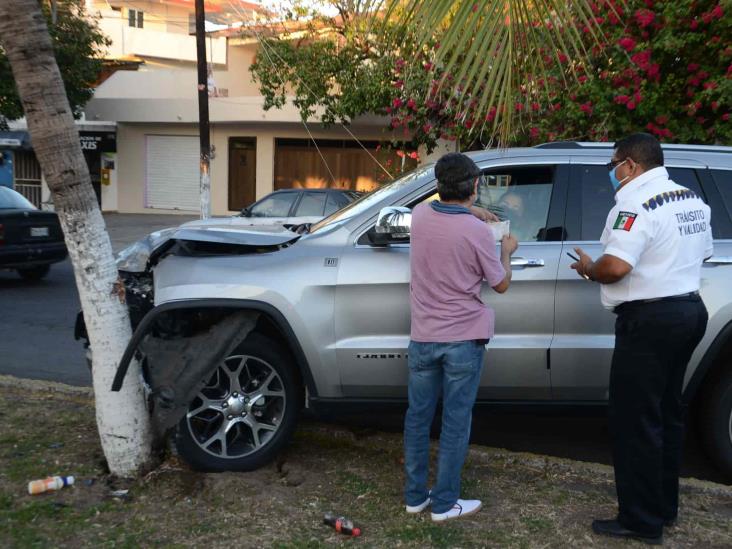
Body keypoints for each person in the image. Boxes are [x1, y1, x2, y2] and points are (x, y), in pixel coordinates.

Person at [570, 133, 712, 545]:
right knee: (667, 414)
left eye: (614, 164)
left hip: (649, 320)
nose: (613, 173)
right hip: (688, 310)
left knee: (635, 422)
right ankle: (663, 508)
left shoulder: (634, 203)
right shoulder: (690, 199)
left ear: (630, 165)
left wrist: (590, 268)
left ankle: (640, 521)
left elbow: (615, 267)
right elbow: (698, 254)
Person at [404, 152, 518, 522]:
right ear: (474, 187)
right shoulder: (478, 233)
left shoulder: (420, 216)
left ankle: (415, 497)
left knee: (418, 419)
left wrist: (470, 210)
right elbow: (499, 284)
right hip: (463, 340)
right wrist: (506, 250)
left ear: (437, 185)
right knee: (455, 422)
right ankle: (444, 503)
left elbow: (437, 206)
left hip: (423, 336)